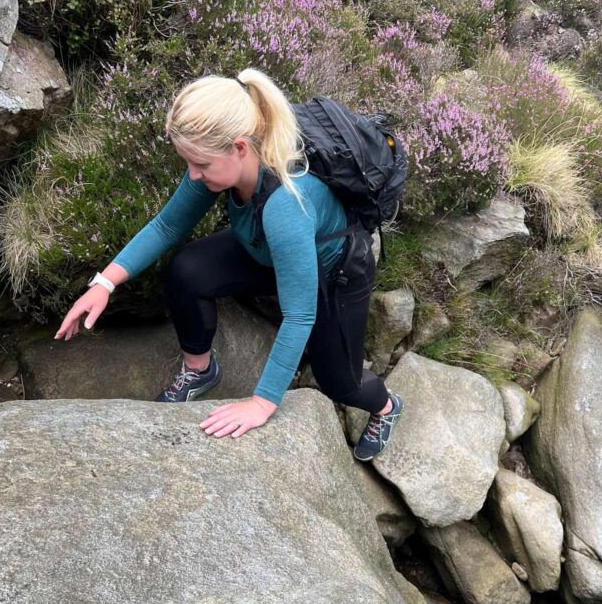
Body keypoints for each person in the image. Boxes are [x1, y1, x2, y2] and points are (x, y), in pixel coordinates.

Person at [54, 69, 404, 460]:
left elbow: (300, 314)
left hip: (332, 274)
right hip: (265, 248)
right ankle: (200, 368)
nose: (193, 174)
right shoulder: (219, 162)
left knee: (341, 382)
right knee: (189, 270)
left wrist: (261, 402)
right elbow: (168, 224)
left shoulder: (287, 204)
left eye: (201, 164)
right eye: (188, 161)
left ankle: (386, 408)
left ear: (239, 147)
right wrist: (104, 283)